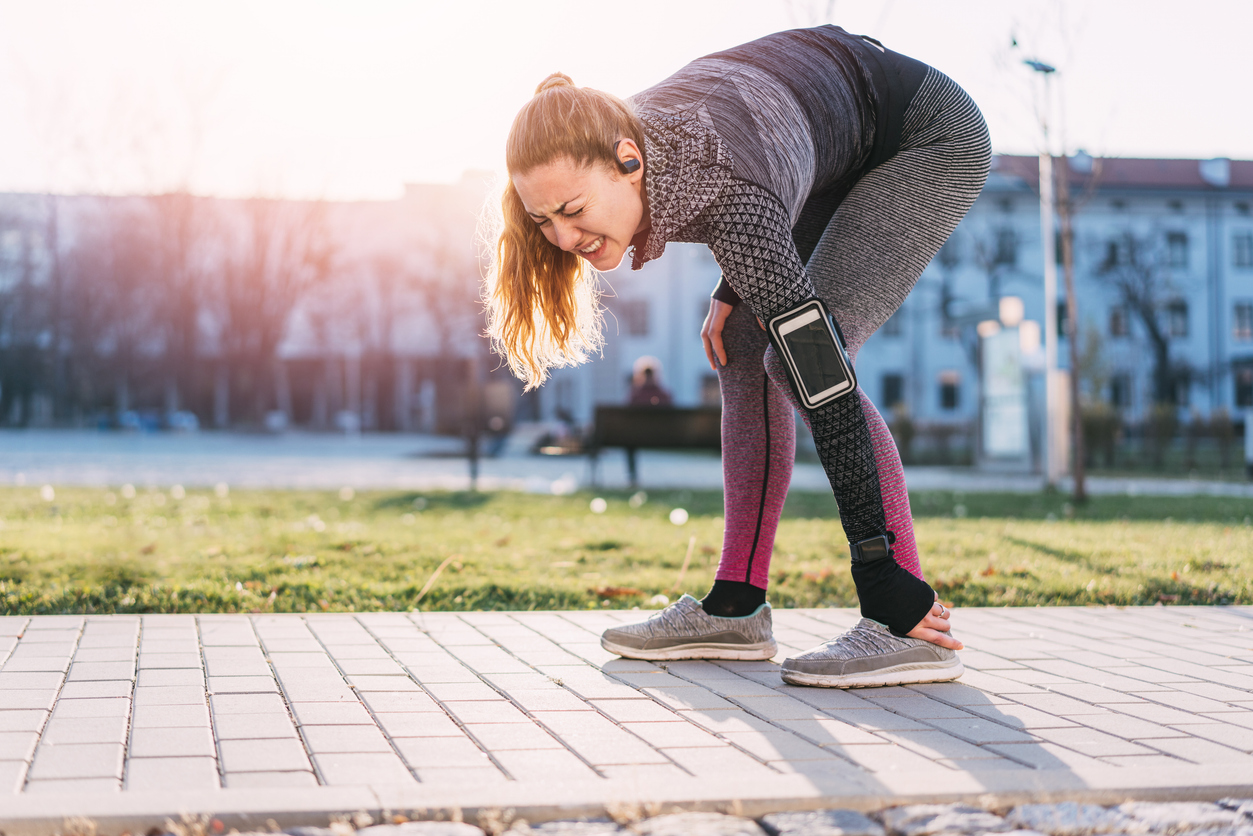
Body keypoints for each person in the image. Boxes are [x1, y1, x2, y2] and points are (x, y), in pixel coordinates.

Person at [486, 25, 989, 688]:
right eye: (543, 220)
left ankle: (899, 609)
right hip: (822, 151)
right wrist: (736, 284)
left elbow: (815, 360)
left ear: (629, 160)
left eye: (573, 212)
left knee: (799, 360)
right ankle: (737, 606)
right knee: (740, 345)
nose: (562, 237)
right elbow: (762, 161)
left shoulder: (716, 183)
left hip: (920, 138)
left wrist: (879, 573)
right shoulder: (600, 134)